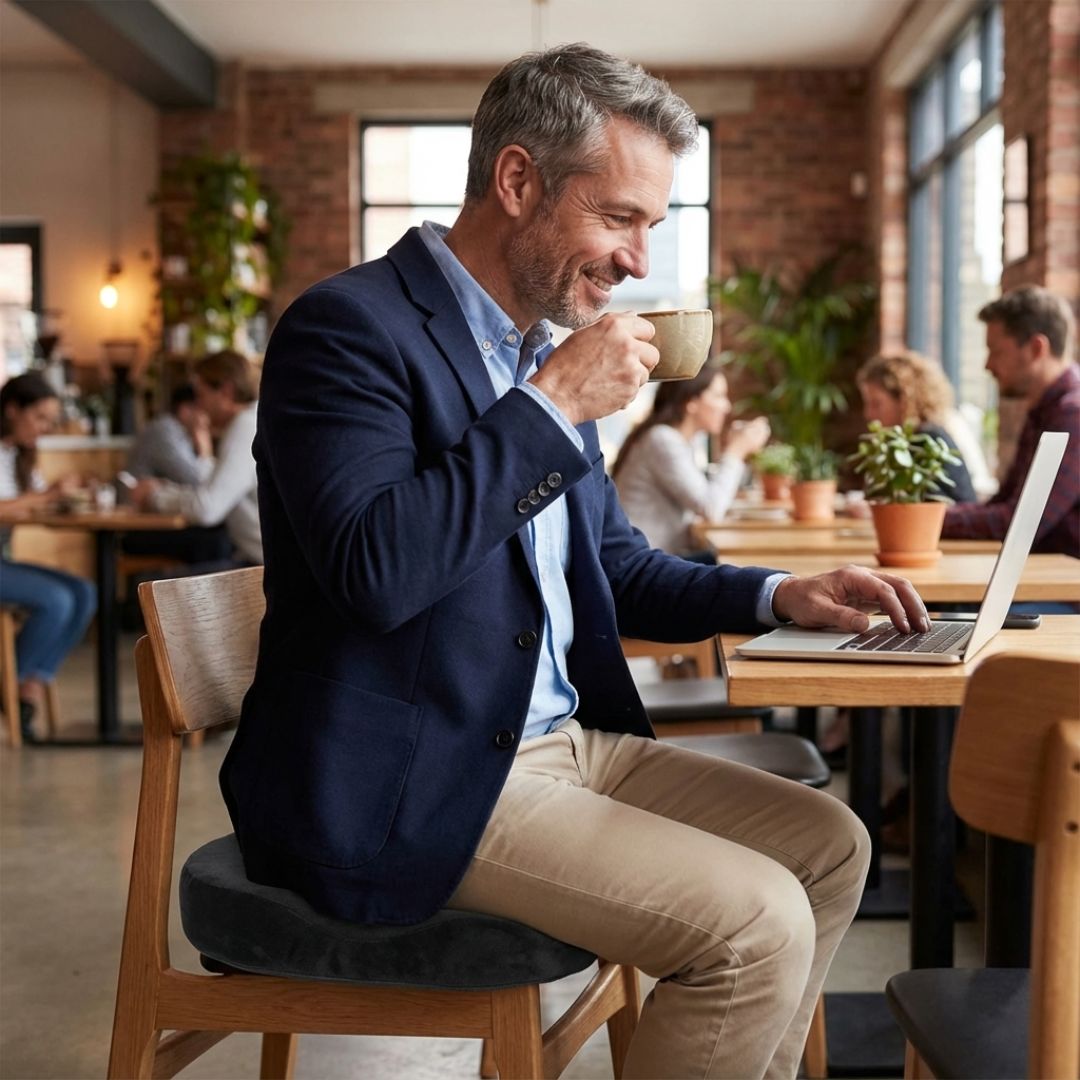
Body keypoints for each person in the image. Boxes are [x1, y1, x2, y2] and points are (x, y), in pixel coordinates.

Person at [221, 45, 930, 1078]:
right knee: (755, 926)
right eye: (620, 218)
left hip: (563, 744)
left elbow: (619, 569)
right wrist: (552, 408)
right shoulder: (348, 330)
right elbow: (375, 572)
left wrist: (785, 593)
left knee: (829, 844)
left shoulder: (542, 353)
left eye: (654, 225)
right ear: (517, 181)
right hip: (416, 778)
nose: (640, 262)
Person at [941, 285, 1079, 558]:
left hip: (1065, 591)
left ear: (1036, 348)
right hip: (1037, 578)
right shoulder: (1044, 411)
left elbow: (1021, 523)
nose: (987, 365)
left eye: (996, 351)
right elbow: (1003, 504)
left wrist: (927, 521)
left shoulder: (1073, 415)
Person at [0, 372, 97, 742]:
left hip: (4, 561)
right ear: (12, 410)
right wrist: (47, 497)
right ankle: (11, 685)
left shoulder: (19, 457)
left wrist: (66, 493)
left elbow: (36, 502)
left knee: (84, 592)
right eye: (39, 418)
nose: (43, 428)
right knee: (55, 599)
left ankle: (29, 684)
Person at [611, 361, 770, 557]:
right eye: (719, 396)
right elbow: (711, 507)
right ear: (691, 402)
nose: (727, 407)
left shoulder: (679, 441)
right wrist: (735, 451)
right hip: (644, 564)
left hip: (659, 557)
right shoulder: (662, 440)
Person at [130, 351, 262, 568]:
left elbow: (206, 508)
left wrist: (155, 497)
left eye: (201, 395)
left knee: (158, 590)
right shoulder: (251, 421)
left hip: (264, 568)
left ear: (226, 391)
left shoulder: (245, 426)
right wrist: (204, 452)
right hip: (261, 562)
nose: (200, 406)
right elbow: (215, 489)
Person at [121, 383, 233, 566]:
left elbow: (208, 487)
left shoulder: (179, 434)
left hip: (160, 522)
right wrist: (205, 450)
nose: (206, 417)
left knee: (220, 536)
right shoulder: (164, 431)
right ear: (185, 410)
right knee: (216, 542)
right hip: (137, 528)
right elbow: (197, 481)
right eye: (201, 409)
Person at [855, 350, 977, 503]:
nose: (868, 414)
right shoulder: (902, 443)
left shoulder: (929, 441)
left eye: (876, 404)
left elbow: (932, 506)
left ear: (904, 401)